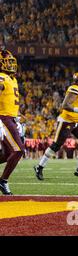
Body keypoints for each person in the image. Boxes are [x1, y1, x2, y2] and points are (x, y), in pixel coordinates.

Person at [34, 72, 78, 180]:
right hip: (67, 120)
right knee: (56, 146)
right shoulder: (74, 88)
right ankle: (40, 166)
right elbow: (65, 105)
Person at [0, 50, 24, 195]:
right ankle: (3, 181)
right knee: (18, 150)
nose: (10, 64)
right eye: (7, 61)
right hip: (3, 118)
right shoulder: (2, 76)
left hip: (11, 118)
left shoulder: (12, 79)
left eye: (11, 61)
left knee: (7, 153)